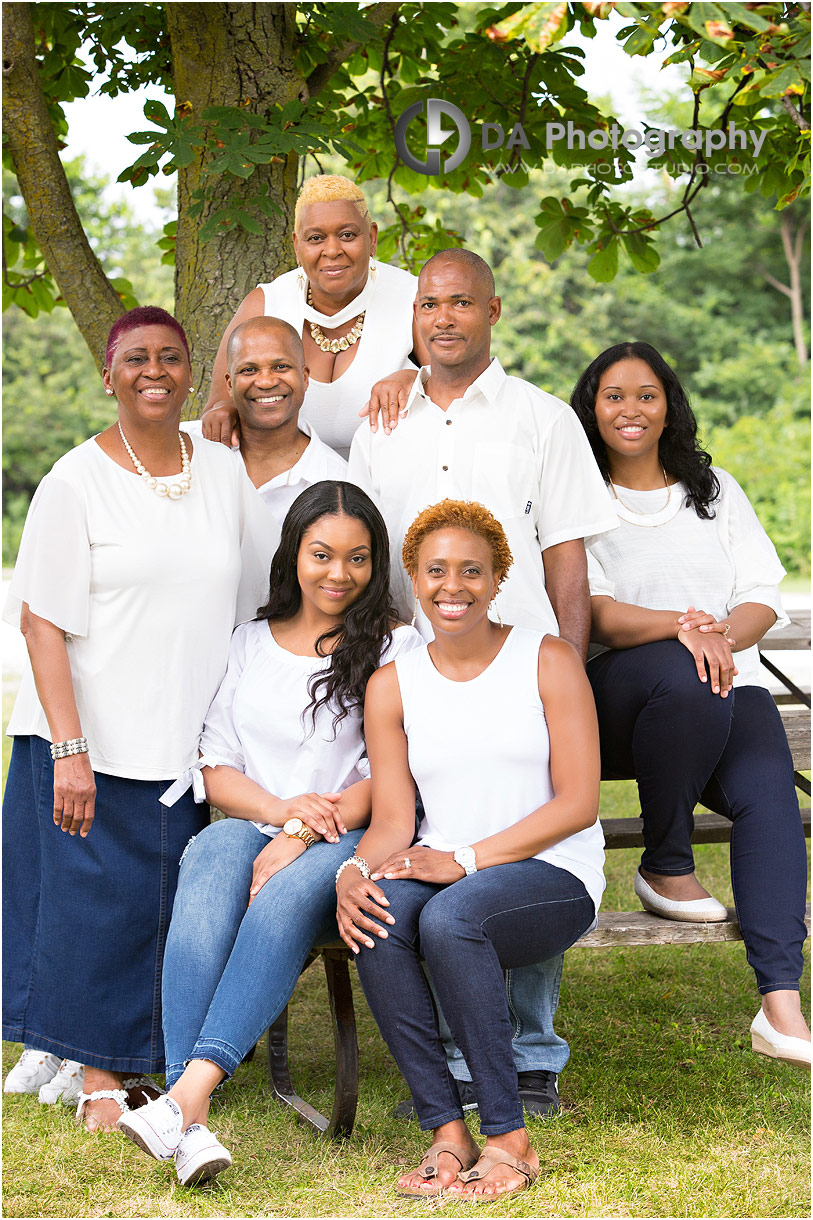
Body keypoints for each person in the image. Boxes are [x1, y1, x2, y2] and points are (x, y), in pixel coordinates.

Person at [348, 248, 617, 1115]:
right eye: (429, 305)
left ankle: (527, 1059)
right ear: (414, 318)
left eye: (462, 303)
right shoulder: (380, 421)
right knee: (433, 841)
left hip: (520, 669)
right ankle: (455, 1065)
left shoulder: (540, 419)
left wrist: (562, 669)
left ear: (492, 311)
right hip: (418, 676)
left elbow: (567, 557)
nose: (445, 319)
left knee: (515, 833)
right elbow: (366, 553)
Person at [2, 307, 276, 1132]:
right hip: (87, 734)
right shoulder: (74, 480)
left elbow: (259, 599)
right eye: (135, 359)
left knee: (154, 908)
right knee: (92, 908)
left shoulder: (223, 472)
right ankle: (93, 1080)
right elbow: (41, 621)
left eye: (170, 357)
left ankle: (134, 1063)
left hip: (183, 742)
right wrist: (70, 748)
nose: (152, 371)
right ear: (109, 374)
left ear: (194, 375)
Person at [116, 481, 423, 1186]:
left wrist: (305, 831)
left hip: (353, 834)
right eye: (321, 554)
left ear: (375, 564)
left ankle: (182, 1100)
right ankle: (185, 1114)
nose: (338, 574)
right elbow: (212, 763)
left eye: (357, 558)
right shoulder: (250, 642)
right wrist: (284, 813)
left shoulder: (393, 643)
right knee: (208, 858)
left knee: (283, 898)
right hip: (263, 819)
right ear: (294, 553)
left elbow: (396, 769)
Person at [337, 499, 604, 1199]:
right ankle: (446, 1133)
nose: (450, 586)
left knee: (452, 917)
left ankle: (509, 1139)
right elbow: (394, 820)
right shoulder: (392, 685)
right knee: (381, 913)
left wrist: (468, 859)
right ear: (413, 578)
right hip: (447, 868)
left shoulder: (545, 659)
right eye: (434, 571)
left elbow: (577, 802)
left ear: (494, 580)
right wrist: (357, 870)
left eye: (469, 572)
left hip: (551, 872)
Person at [570, 340, 810, 1068]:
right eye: (613, 395)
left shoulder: (715, 490)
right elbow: (600, 614)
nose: (630, 408)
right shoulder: (574, 497)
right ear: (591, 407)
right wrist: (685, 629)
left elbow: (758, 594)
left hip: (714, 687)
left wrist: (716, 636)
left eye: (646, 393)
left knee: (769, 798)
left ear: (668, 404)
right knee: (680, 668)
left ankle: (780, 1005)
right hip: (617, 705)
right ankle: (664, 862)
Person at [201, 174, 427, 458]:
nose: (332, 250)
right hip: (284, 481)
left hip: (389, 479)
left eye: (347, 235)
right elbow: (219, 404)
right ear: (297, 244)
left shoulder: (414, 299)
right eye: (316, 238)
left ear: (371, 237)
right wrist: (223, 413)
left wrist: (417, 379)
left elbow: (454, 394)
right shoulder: (265, 304)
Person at [185, 316, 347, 527]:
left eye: (280, 366)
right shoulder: (184, 446)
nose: (266, 382)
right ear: (229, 384)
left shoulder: (337, 481)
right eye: (249, 370)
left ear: (305, 378)